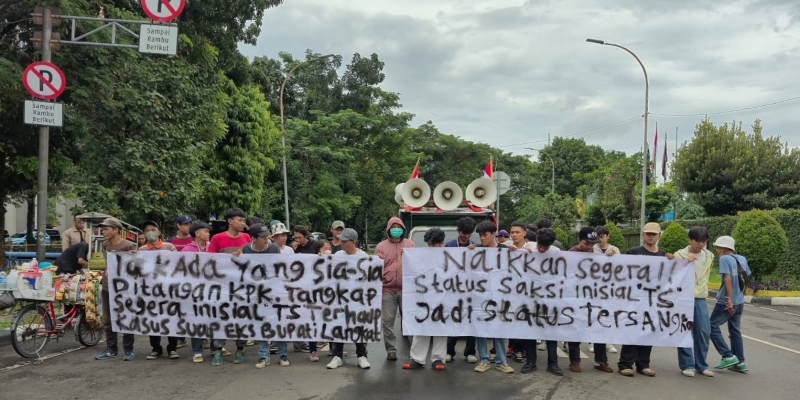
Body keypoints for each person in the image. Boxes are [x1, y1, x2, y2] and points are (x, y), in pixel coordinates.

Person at [240, 223, 290, 369]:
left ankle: (283, 355)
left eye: (266, 236)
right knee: (260, 323)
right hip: (255, 294)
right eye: (262, 237)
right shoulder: (246, 249)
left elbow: (279, 268)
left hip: (273, 292)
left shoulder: (273, 248)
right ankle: (263, 356)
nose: (266, 239)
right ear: (253, 238)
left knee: (278, 322)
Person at [618, 222, 664, 377]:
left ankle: (643, 364)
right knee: (632, 330)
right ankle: (625, 364)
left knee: (648, 331)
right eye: (648, 233)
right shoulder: (633, 252)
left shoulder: (664, 256)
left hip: (653, 300)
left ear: (659, 236)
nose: (650, 236)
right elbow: (621, 271)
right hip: (634, 299)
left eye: (653, 234)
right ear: (642, 235)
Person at [206, 208, 251, 366]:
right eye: (240, 220)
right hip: (222, 286)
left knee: (241, 317)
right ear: (230, 221)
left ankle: (240, 349)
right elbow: (210, 260)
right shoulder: (217, 238)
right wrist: (229, 258)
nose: (242, 223)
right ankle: (218, 350)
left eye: (243, 220)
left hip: (242, 285)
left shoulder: (247, 238)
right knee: (221, 317)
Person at [567, 227, 613, 374]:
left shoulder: (596, 254)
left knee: (599, 329)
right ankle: (575, 361)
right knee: (575, 330)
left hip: (594, 299)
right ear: (579, 240)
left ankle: (602, 361)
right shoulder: (570, 255)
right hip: (576, 299)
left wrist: (610, 258)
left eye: (592, 243)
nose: (590, 246)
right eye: (587, 243)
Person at [671, 226, 715, 378]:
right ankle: (687, 365)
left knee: (704, 332)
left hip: (700, 297)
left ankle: (701, 365)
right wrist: (683, 262)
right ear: (690, 240)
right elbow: (672, 275)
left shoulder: (709, 255)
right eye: (698, 241)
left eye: (704, 241)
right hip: (683, 298)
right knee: (683, 330)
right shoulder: (679, 255)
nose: (701, 244)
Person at [521, 228, 564, 376]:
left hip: (549, 299)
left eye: (545, 247)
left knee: (551, 332)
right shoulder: (528, 247)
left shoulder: (556, 252)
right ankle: (530, 362)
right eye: (540, 245)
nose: (541, 249)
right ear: (537, 240)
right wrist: (517, 251)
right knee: (531, 331)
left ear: (551, 244)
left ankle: (553, 364)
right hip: (530, 297)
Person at [472, 221, 513, 374]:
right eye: (480, 235)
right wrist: (467, 251)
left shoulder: (505, 250)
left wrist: (519, 252)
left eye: (485, 235)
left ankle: (501, 361)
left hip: (500, 296)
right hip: (480, 296)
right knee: (481, 329)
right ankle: (484, 359)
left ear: (493, 233)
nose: (482, 238)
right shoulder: (476, 250)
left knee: (499, 329)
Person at [327, 228, 371, 370]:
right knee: (339, 326)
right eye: (341, 240)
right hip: (341, 298)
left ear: (353, 242)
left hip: (358, 299)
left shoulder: (363, 256)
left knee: (358, 327)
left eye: (344, 241)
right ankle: (337, 356)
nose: (341, 243)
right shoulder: (338, 255)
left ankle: (362, 356)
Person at [404, 228, 448, 371]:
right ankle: (417, 358)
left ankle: (438, 358)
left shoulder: (449, 257)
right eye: (429, 244)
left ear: (441, 243)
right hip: (424, 297)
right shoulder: (421, 256)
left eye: (433, 244)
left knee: (441, 328)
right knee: (422, 326)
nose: (430, 247)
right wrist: (406, 256)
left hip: (443, 297)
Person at [136, 220, 180, 360]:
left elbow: (178, 264)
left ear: (159, 232)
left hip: (168, 289)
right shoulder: (141, 250)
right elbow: (139, 270)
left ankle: (172, 348)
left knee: (170, 318)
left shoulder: (170, 247)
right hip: (150, 290)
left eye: (153, 229)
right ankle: (156, 348)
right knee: (152, 318)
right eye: (147, 230)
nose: (150, 232)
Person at [95, 217, 136, 361]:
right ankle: (111, 348)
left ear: (116, 230)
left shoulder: (127, 245)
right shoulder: (106, 244)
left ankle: (128, 349)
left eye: (106, 229)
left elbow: (134, 266)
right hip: (108, 286)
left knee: (126, 317)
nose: (103, 232)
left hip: (124, 288)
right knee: (108, 319)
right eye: (103, 229)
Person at [375, 217, 415, 362]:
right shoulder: (381, 246)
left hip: (407, 290)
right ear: (388, 229)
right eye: (393, 227)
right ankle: (391, 350)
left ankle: (414, 350)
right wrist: (378, 259)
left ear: (403, 229)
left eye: (399, 227)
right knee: (387, 322)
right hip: (387, 290)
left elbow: (417, 264)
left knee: (410, 320)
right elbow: (374, 268)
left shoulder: (410, 244)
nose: (396, 229)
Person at [709, 235, 751, 373]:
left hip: (726, 301)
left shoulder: (724, 259)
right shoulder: (742, 258)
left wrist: (728, 300)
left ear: (723, 248)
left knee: (711, 326)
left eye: (717, 247)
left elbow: (727, 279)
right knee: (735, 330)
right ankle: (740, 362)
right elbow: (745, 277)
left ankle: (728, 356)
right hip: (739, 301)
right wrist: (741, 295)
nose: (716, 250)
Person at [445, 216, 478, 363]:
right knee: (453, 320)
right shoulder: (449, 245)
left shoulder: (476, 247)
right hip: (454, 289)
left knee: (471, 321)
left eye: (469, 233)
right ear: (458, 230)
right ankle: (449, 351)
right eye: (464, 232)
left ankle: (470, 352)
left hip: (471, 290)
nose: (466, 236)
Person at [181, 221, 211, 362]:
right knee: (197, 319)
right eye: (206, 231)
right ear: (197, 233)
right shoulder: (187, 250)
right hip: (195, 291)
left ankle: (217, 347)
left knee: (214, 318)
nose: (208, 233)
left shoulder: (212, 247)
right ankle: (197, 351)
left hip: (213, 290)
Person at [589, 225, 619, 354]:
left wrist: (613, 257)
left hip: (610, 288)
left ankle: (609, 342)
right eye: (598, 237)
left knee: (609, 314)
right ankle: (592, 341)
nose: (601, 239)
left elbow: (620, 267)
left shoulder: (615, 249)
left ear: (608, 236)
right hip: (594, 287)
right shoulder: (592, 249)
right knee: (594, 314)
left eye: (603, 236)